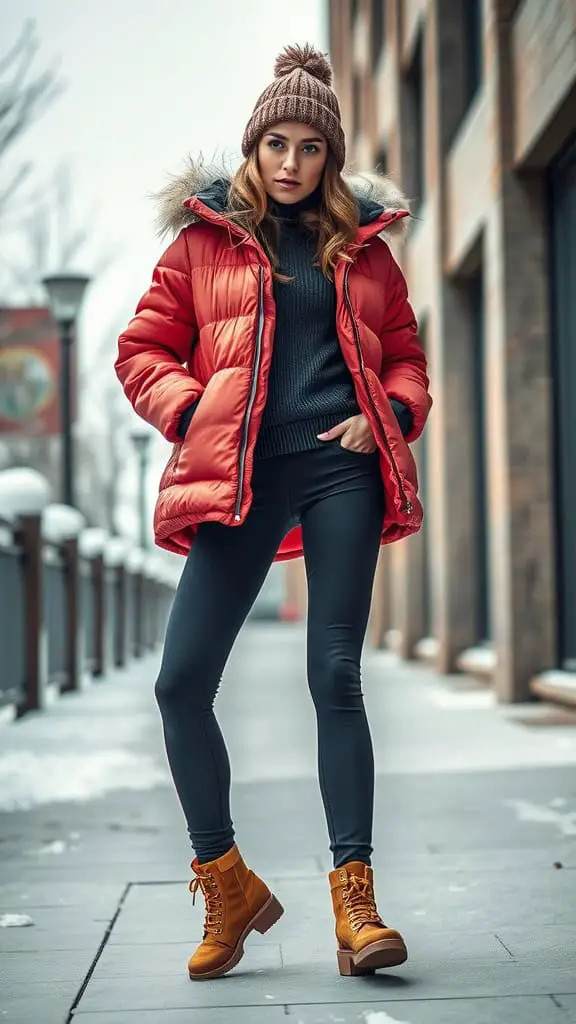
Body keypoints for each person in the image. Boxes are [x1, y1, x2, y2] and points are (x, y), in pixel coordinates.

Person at [115, 43, 431, 983]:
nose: (290, 163)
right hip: (240, 478)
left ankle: (355, 902)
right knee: (179, 685)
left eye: (309, 149)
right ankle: (227, 881)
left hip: (340, 472)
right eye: (275, 145)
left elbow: (406, 355)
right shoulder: (203, 244)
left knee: (335, 675)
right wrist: (191, 407)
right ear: (253, 151)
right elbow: (141, 351)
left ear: (330, 161)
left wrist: (391, 418)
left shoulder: (365, 250)